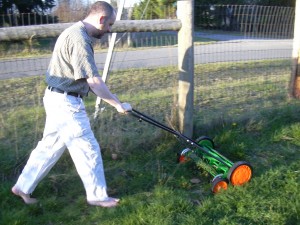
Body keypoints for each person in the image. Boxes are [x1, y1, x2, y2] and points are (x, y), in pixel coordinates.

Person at [11, 1, 132, 208]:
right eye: (110, 25)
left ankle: (22, 186)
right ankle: (97, 196)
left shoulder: (74, 31)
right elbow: (94, 82)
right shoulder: (80, 39)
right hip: (66, 102)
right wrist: (117, 104)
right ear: (101, 19)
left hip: (56, 97)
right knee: (87, 147)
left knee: (49, 147)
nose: (110, 30)